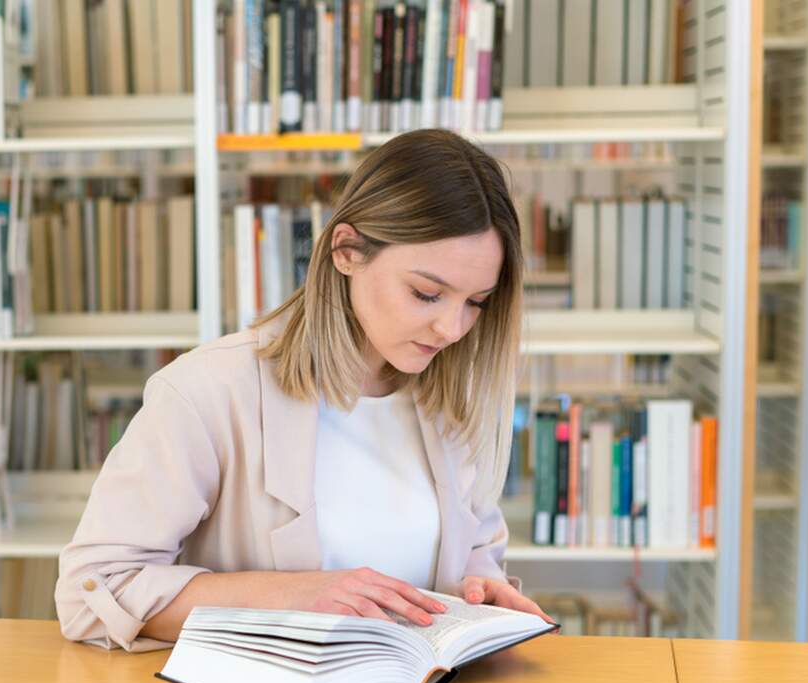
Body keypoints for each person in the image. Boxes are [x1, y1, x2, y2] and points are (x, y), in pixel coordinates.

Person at [56, 128, 552, 652]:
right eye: (427, 293)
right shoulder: (208, 392)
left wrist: (478, 590)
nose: (452, 329)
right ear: (347, 251)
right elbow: (94, 591)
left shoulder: (454, 397)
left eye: (476, 302)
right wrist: (292, 596)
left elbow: (473, 552)